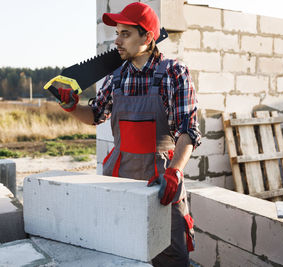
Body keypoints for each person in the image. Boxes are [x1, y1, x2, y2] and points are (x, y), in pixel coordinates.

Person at [57, 2, 201, 266]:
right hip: (119, 179)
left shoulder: (174, 74)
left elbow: (188, 131)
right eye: (117, 33)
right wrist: (71, 107)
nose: (117, 41)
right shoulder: (116, 77)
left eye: (125, 34)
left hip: (161, 182)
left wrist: (176, 172)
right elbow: (96, 115)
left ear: (147, 37)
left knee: (172, 255)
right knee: (120, 251)